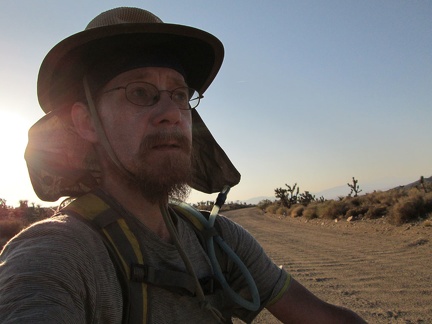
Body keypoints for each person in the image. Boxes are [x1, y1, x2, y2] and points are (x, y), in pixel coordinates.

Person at [0, 7, 366, 323]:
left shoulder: (217, 239)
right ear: (86, 122)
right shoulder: (57, 254)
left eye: (179, 95)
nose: (171, 114)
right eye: (140, 92)